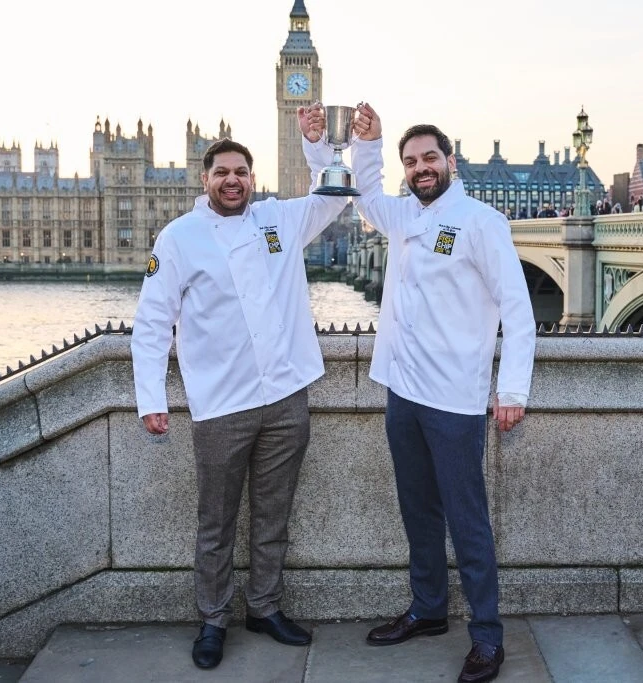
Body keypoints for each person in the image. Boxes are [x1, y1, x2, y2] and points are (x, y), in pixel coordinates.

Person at [130, 104, 347, 671]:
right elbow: (152, 322)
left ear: (253, 179)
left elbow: (334, 196)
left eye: (241, 172)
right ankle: (212, 618)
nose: (232, 180)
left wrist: (316, 145)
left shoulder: (278, 220)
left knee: (274, 515)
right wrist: (151, 398)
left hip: (285, 397)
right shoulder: (179, 237)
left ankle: (265, 607)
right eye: (222, 172)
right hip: (222, 405)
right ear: (205, 181)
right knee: (217, 520)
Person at [349, 104, 536, 683]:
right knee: (419, 512)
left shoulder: (482, 222)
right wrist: (368, 144)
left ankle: (487, 636)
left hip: (455, 397)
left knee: (468, 519)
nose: (420, 168)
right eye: (410, 162)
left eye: (429, 158)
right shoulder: (402, 215)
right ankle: (428, 610)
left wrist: (511, 388)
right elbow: (362, 194)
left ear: (450, 161)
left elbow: (518, 309)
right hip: (402, 389)